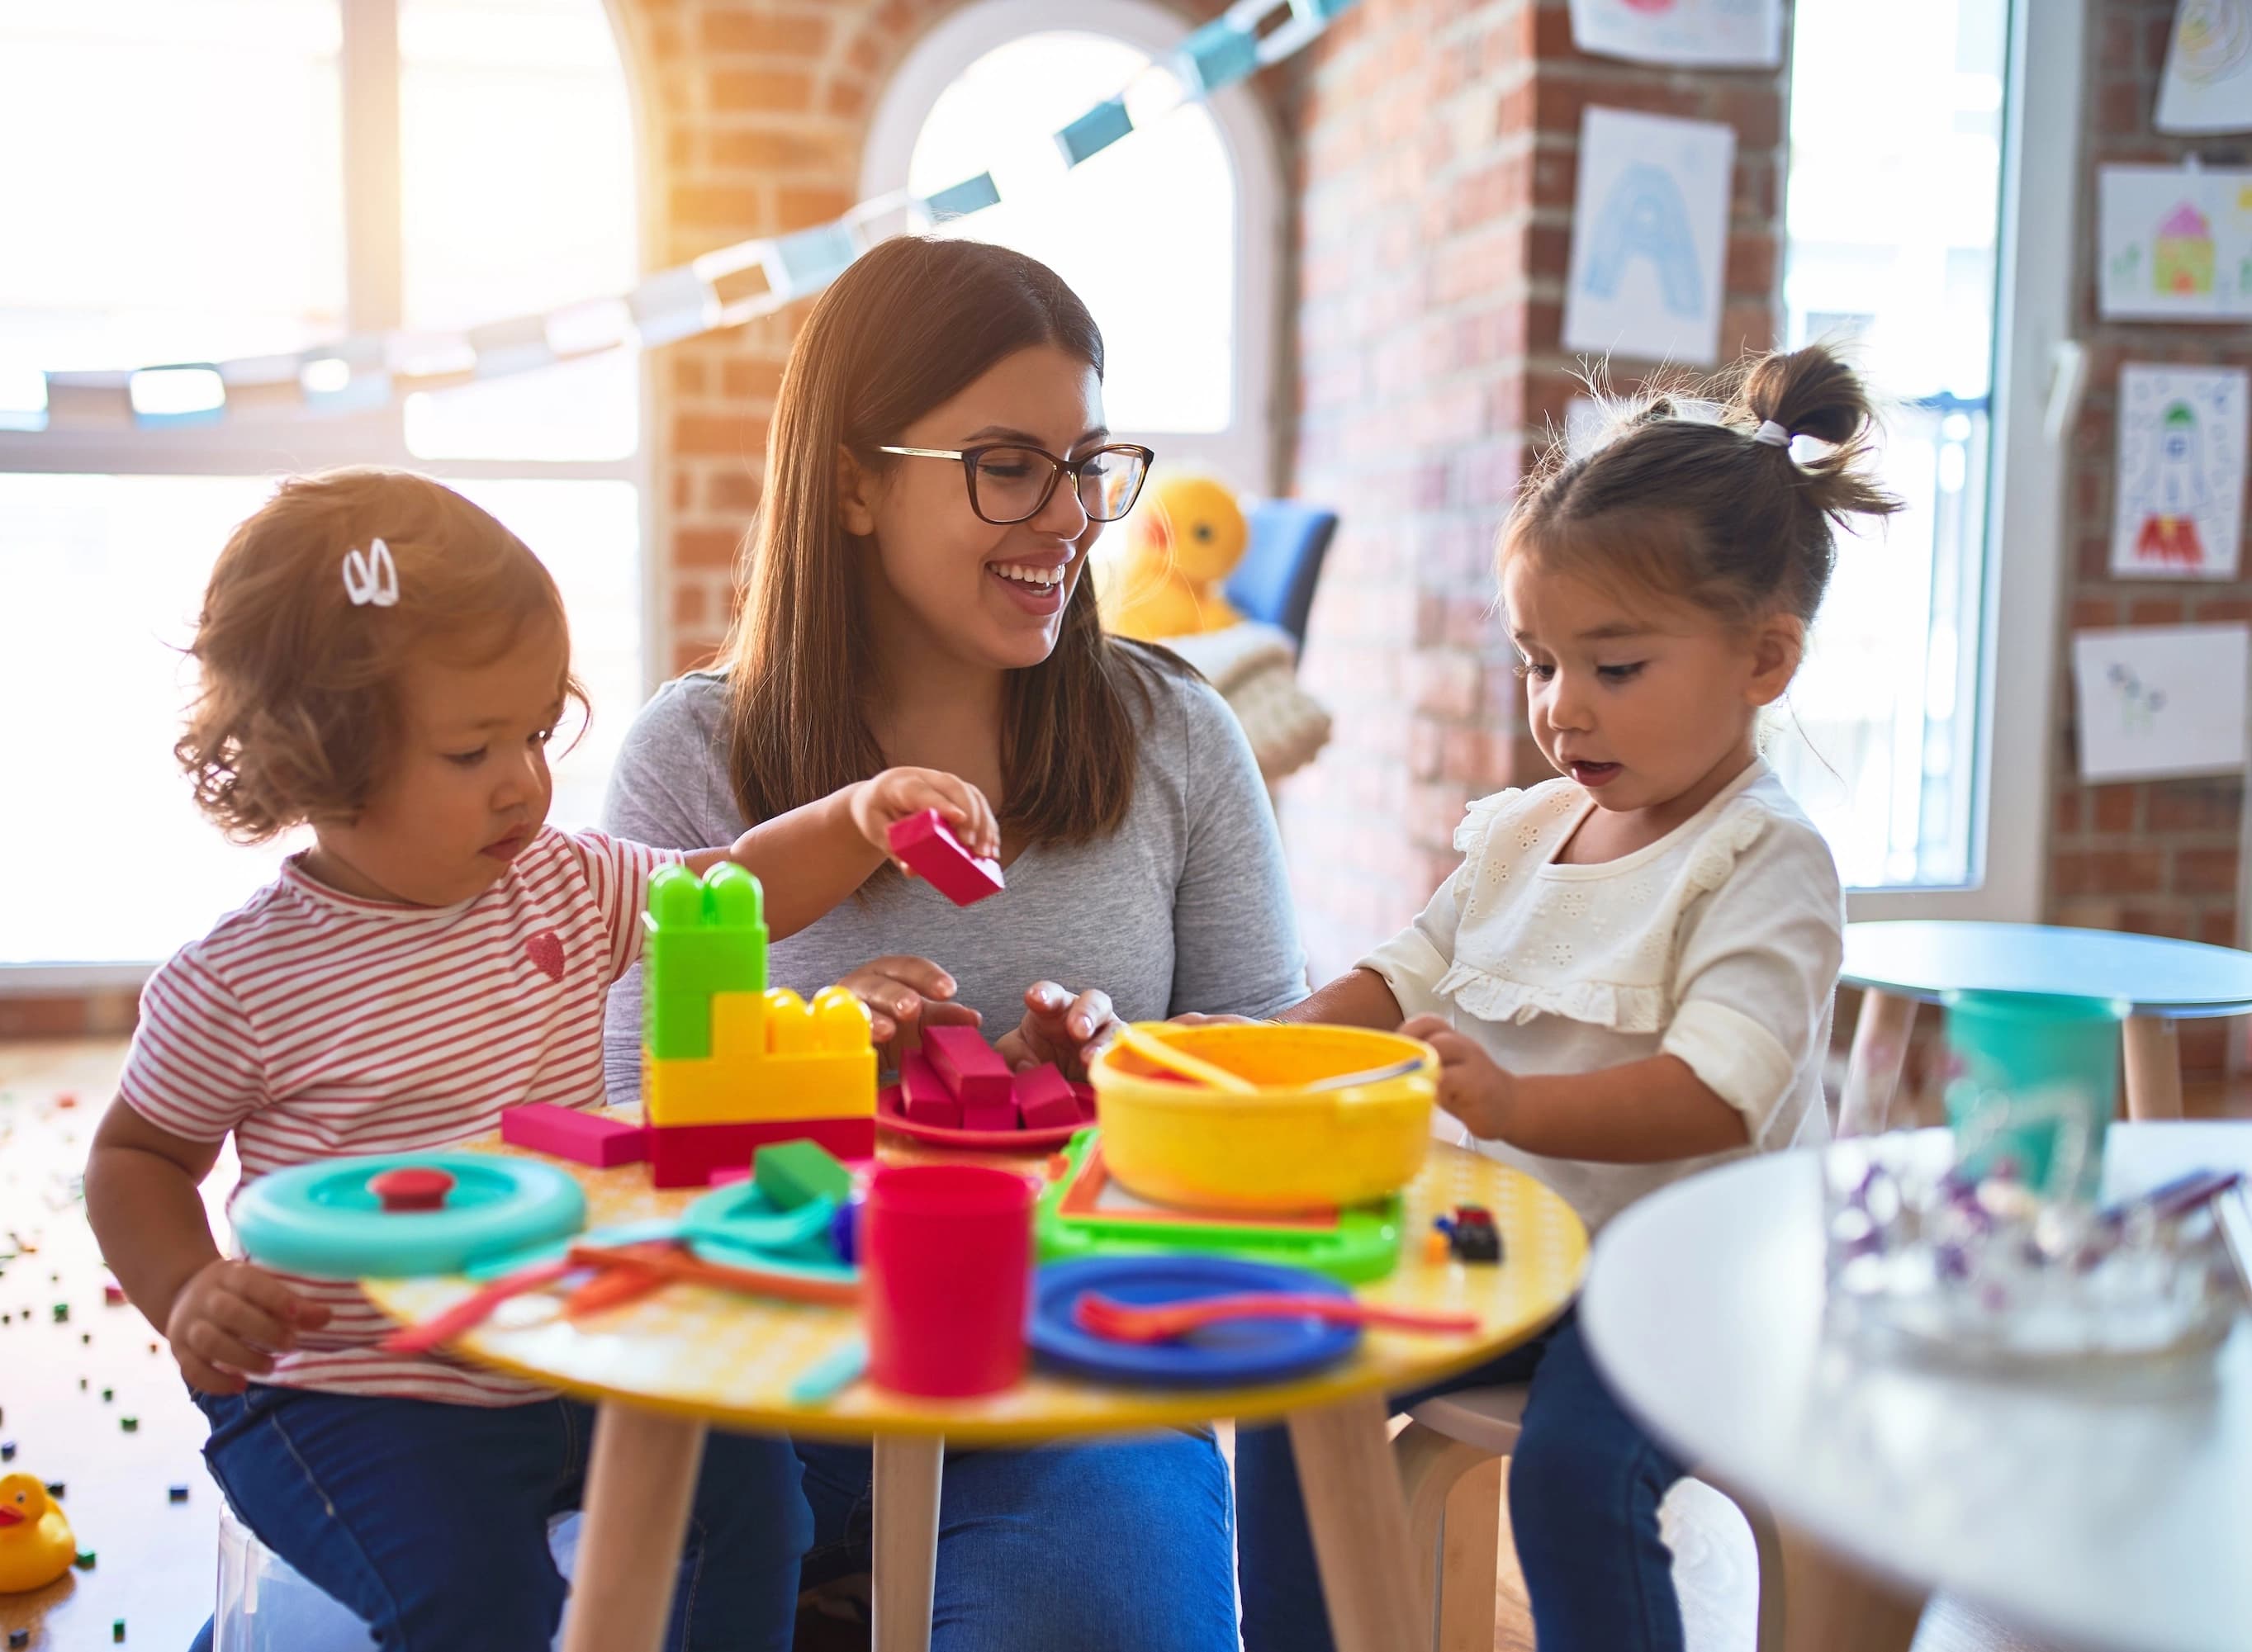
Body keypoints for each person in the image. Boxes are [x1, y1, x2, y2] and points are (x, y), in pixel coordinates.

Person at [82, 467, 998, 1650]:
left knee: (756, 1501)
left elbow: (734, 892)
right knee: (486, 1604)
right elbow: (136, 1156)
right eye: (472, 750)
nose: (524, 778)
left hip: (564, 1339)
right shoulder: (238, 980)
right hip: (348, 1391)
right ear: (320, 757)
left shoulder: (563, 882)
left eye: (534, 730)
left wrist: (858, 815)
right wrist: (187, 1290)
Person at [603, 235, 1306, 1650]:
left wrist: (1130, 1070)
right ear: (854, 480)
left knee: (1106, 1607)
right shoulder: (692, 755)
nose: (1067, 519)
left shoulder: (1178, 736)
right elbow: (632, 1120)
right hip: (765, 1376)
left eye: (1086, 464)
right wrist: (811, 1072)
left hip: (1066, 1382)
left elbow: (1263, 1060)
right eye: (1006, 464)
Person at [1230, 346, 1899, 1650]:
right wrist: (1254, 1046)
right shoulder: (1528, 828)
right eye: (1540, 663)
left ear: (1765, 660)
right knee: (1286, 1386)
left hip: (1687, 1274)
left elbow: (1715, 1096)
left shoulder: (1765, 862)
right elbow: (1401, 971)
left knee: (1575, 1478)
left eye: (1614, 667)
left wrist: (1519, 1099)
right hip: (1519, 1250)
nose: (1561, 708)